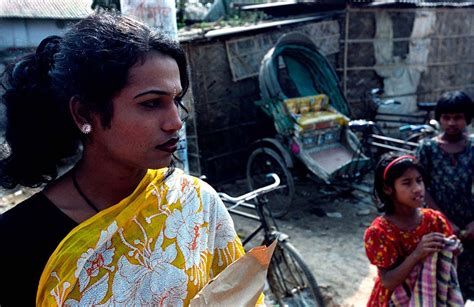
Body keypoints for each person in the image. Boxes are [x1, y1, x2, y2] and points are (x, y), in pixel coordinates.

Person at [0, 12, 248, 306]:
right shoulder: (17, 239)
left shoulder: (196, 202)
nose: (175, 122)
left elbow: (238, 295)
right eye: (151, 103)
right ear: (84, 114)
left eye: (177, 100)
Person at [364, 152, 462, 306]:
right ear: (388, 189)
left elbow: (445, 261)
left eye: (419, 180)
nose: (417, 188)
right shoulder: (380, 232)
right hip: (395, 300)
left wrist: (453, 248)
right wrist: (417, 254)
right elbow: (388, 281)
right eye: (407, 183)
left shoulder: (434, 220)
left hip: (431, 295)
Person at [416, 90, 474, 300]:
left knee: (468, 283)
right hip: (437, 226)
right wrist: (446, 222)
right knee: (439, 284)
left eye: (458, 117)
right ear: (439, 118)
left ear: (467, 118)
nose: (451, 123)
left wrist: (472, 225)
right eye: (446, 117)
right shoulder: (427, 148)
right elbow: (422, 189)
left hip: (470, 227)